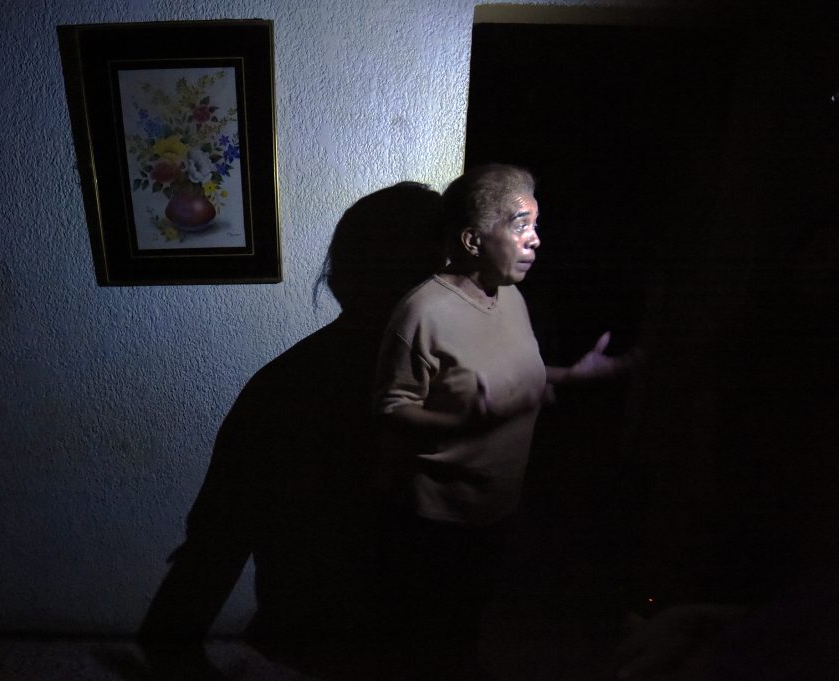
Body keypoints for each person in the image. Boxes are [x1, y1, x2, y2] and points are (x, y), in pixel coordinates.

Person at [136, 182, 446, 681]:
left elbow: (213, 548)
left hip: (331, 634)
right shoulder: (463, 382)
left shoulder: (284, 386)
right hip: (379, 635)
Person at [374, 163, 635, 681]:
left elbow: (512, 378)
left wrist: (571, 375)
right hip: (440, 520)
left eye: (535, 224)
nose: (536, 239)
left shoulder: (510, 295)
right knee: (432, 645)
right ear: (472, 239)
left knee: (471, 628)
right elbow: (390, 411)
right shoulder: (421, 314)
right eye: (521, 225)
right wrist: (462, 422)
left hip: (497, 505)